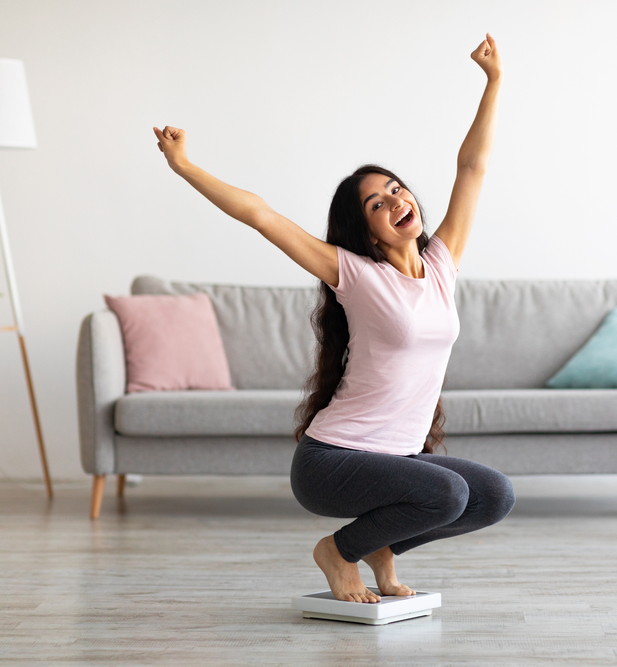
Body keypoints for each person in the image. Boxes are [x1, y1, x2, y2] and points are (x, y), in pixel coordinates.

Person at [153, 33, 514, 604]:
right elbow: (261, 216)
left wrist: (493, 82)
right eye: (378, 203)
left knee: (493, 495)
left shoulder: (441, 264)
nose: (396, 201)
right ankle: (339, 551)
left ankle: (379, 544)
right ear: (365, 229)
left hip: (395, 463)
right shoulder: (354, 273)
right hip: (332, 462)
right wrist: (184, 166)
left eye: (397, 190)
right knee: (446, 492)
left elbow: (472, 169)